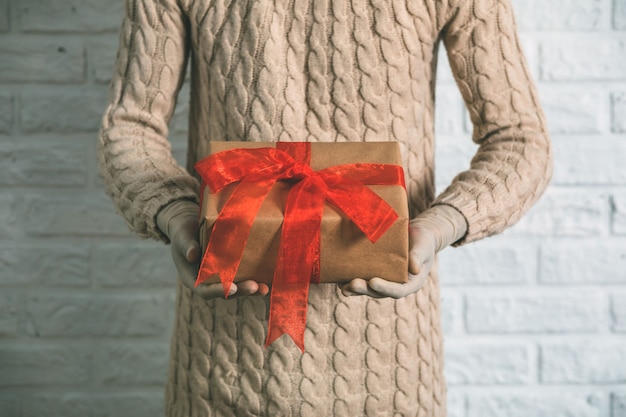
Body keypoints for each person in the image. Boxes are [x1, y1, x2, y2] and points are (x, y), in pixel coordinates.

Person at [98, 0, 552, 415]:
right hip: (224, 371)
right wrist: (174, 212)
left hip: (390, 370)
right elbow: (130, 125)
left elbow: (520, 139)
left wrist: (441, 224)